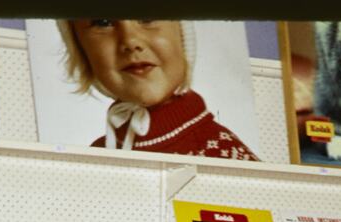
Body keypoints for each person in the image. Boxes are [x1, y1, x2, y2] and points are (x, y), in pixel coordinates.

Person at [57, 19, 258, 159]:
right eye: (103, 22)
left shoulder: (221, 154)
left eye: (147, 16)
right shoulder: (98, 154)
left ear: (182, 35)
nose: (130, 41)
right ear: (81, 50)